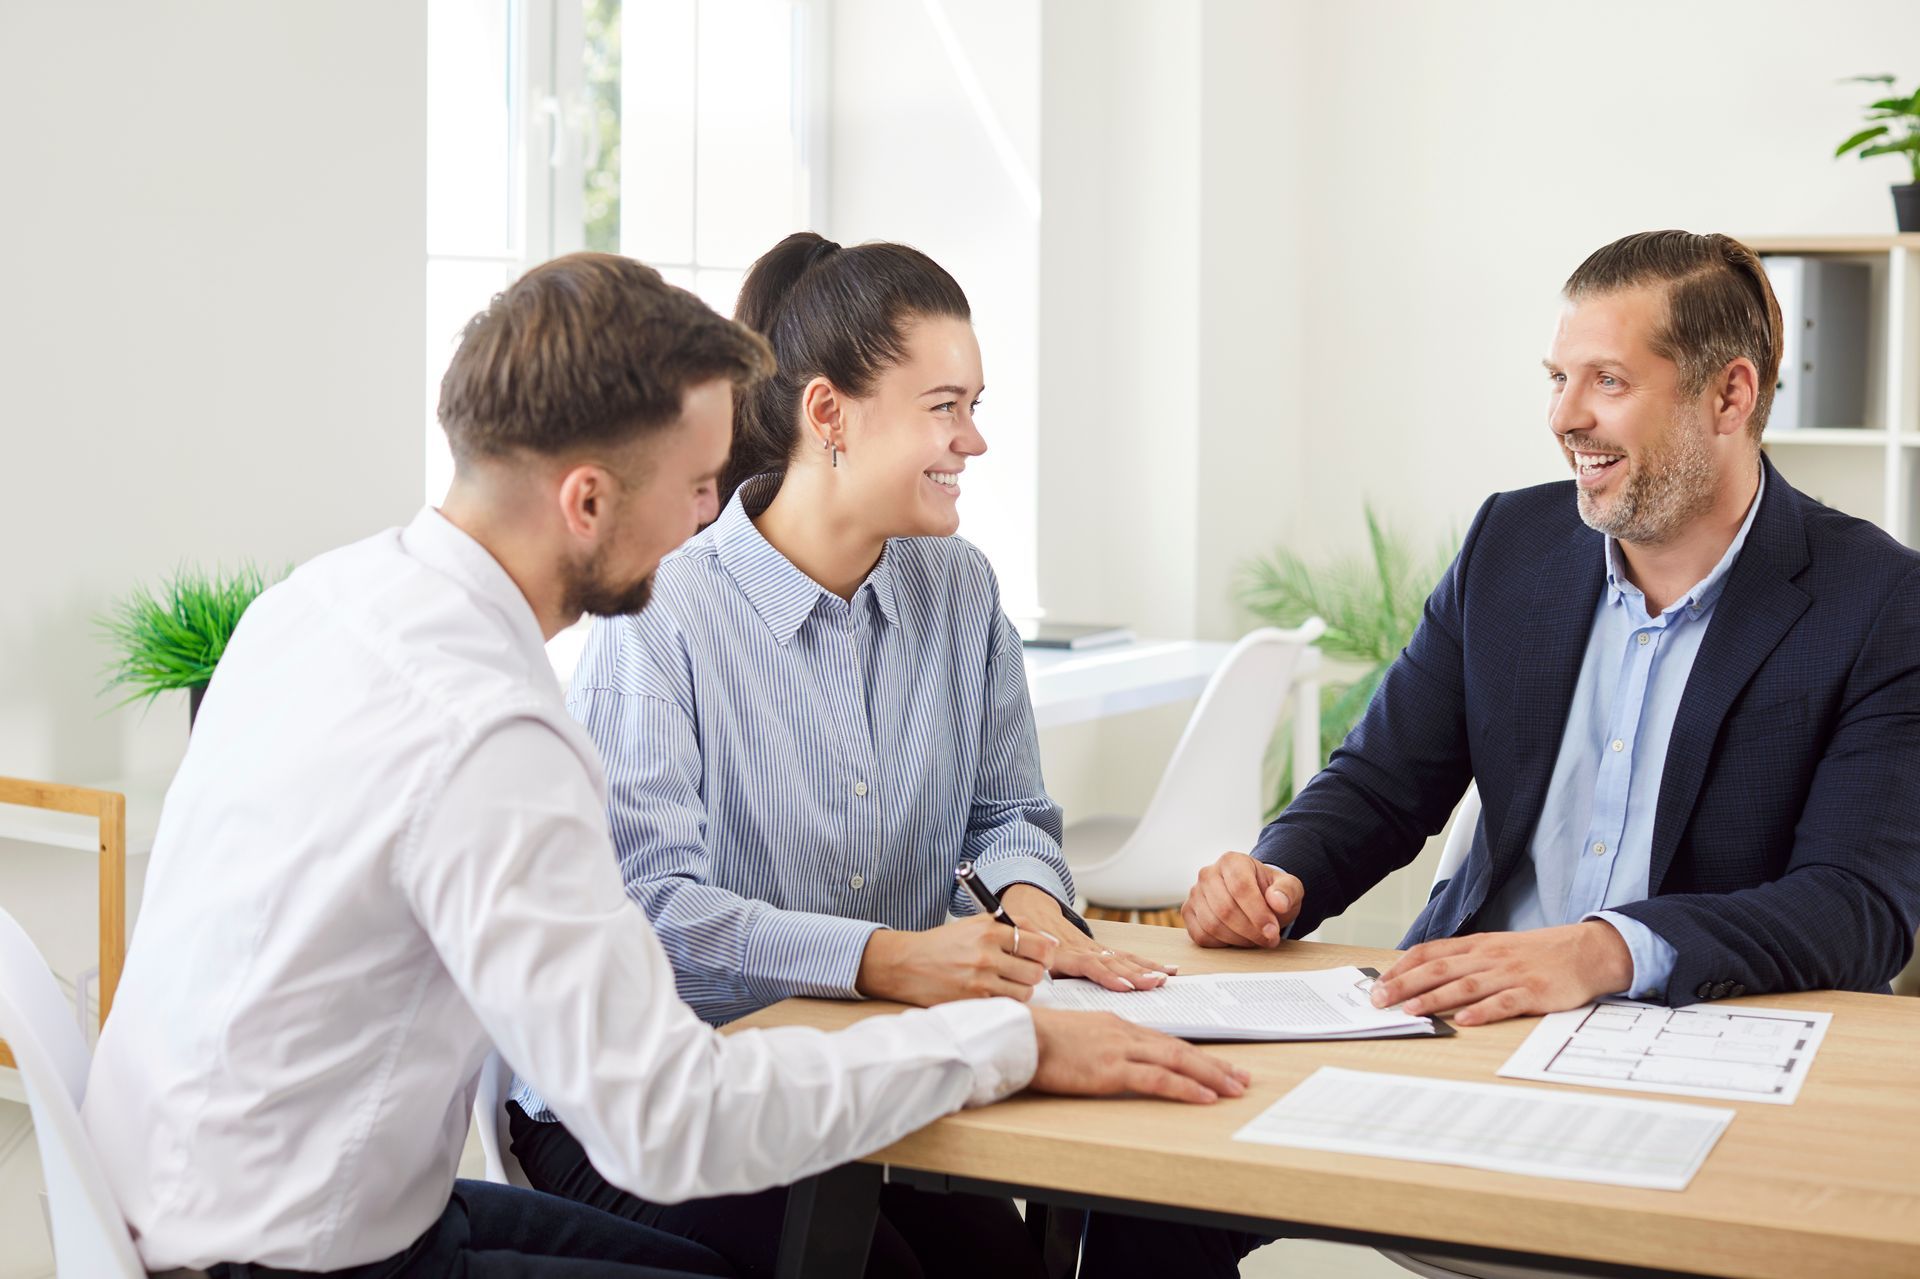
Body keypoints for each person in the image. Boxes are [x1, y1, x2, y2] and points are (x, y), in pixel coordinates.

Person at [79, 252, 1247, 1279]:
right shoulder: (491, 730)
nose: (713, 518)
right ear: (586, 501)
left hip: (222, 1202)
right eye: (697, 487)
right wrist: (1009, 1039)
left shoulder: (320, 601)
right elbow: (663, 1120)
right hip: (289, 1256)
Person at [1091, 229, 1920, 1274]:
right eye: (1558, 377)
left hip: (1703, 1059)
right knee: (1145, 1180)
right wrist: (1280, 874)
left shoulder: (1879, 600)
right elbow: (1385, 779)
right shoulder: (1510, 547)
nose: (1566, 416)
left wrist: (1604, 948)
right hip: (1468, 1034)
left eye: (1608, 380)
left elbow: (1858, 908)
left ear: (1730, 394)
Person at [506, 232, 1176, 1279]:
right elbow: (650, 910)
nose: (974, 443)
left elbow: (1007, 817)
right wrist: (889, 957)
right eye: (945, 408)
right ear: (830, 416)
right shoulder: (664, 611)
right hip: (653, 1098)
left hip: (851, 1076)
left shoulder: (959, 593)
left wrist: (1036, 918)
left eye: (977, 406)